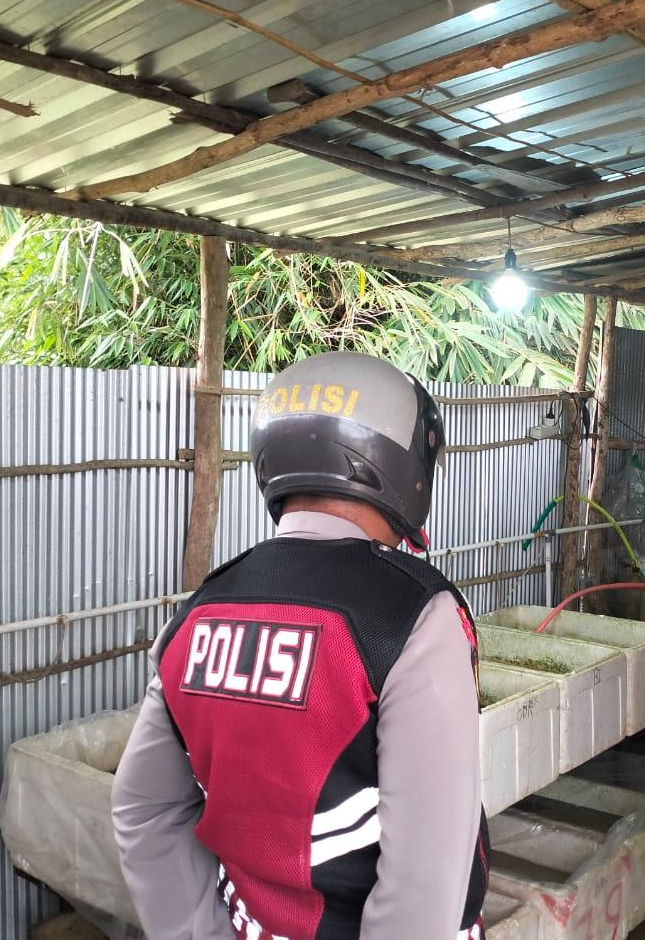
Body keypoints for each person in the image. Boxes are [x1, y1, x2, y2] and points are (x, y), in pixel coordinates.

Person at [111, 351, 489, 940]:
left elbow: (144, 809)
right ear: (402, 467)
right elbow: (425, 881)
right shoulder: (415, 618)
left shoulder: (197, 615)